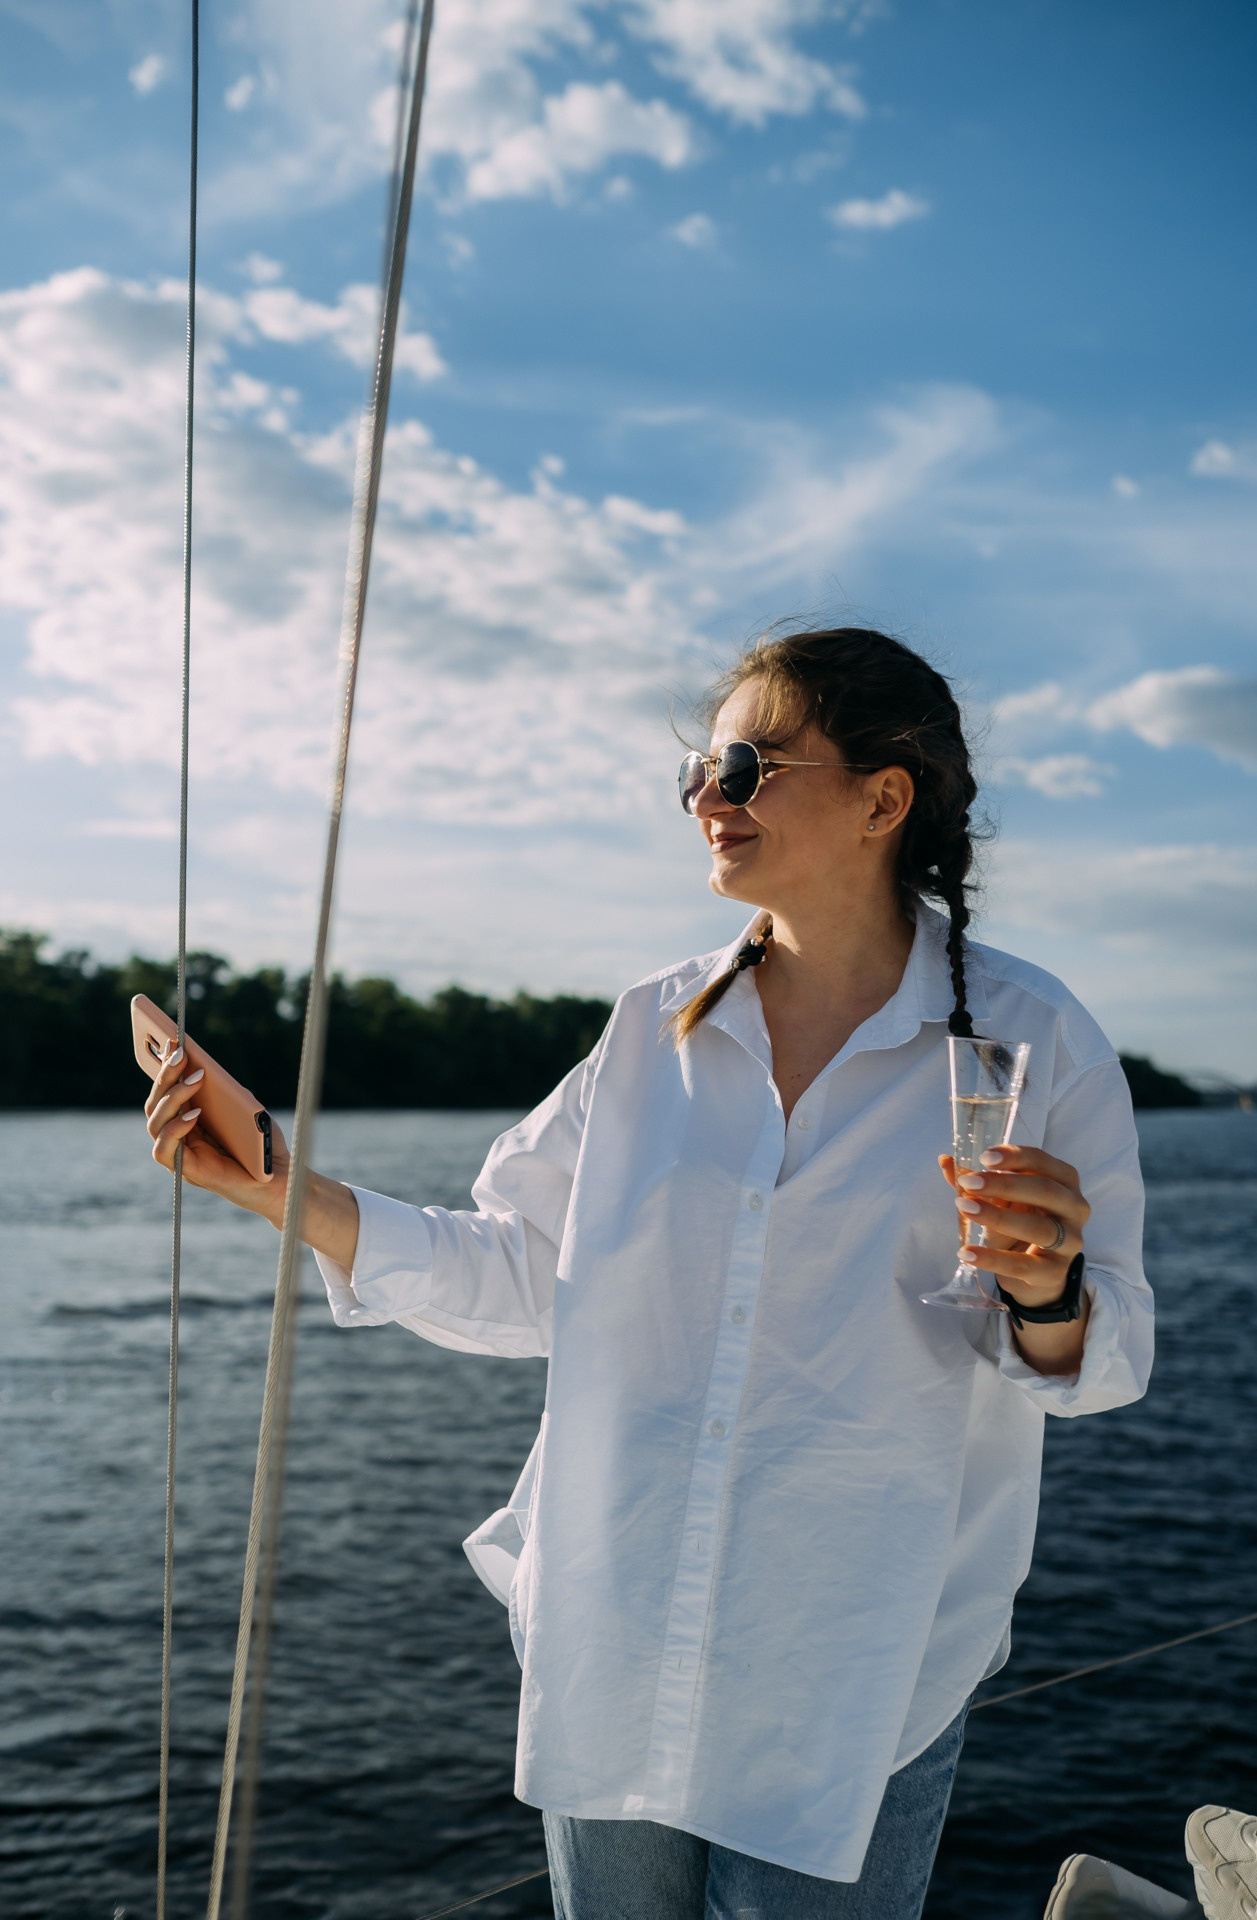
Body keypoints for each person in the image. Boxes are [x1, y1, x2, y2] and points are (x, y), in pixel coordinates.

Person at [145, 627, 1153, 1920]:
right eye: (697, 768)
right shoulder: (649, 1029)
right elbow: (519, 1276)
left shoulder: (1034, 1041)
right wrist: (279, 1185)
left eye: (745, 763)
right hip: (615, 1628)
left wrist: (1046, 1291)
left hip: (854, 1668)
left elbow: (1104, 1361)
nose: (705, 796)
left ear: (881, 799)